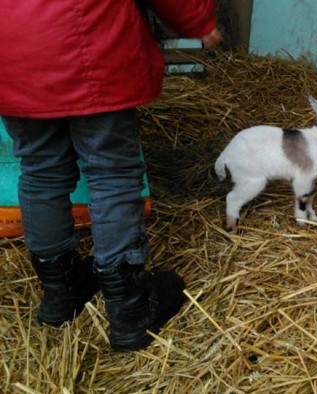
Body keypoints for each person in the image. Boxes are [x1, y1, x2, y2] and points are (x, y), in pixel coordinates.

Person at [0, 1, 222, 351]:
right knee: (111, 171)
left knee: (40, 168)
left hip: (12, 50)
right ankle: (129, 308)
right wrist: (196, 19)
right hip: (89, 44)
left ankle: (59, 293)